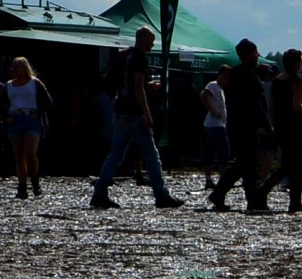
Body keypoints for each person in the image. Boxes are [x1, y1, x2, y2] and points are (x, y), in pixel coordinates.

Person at [92, 28, 185, 209]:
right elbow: (137, 87)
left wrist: (145, 86)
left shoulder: (124, 55)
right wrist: (147, 113)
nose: (152, 44)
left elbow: (121, 83)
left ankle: (99, 192)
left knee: (115, 156)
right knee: (152, 157)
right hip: (135, 115)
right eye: (151, 41)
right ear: (143, 40)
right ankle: (161, 195)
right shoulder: (140, 58)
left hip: (120, 112)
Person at [208, 39, 278, 213]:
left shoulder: (236, 74)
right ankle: (250, 200)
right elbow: (254, 105)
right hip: (246, 126)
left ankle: (230, 196)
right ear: (249, 54)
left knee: (245, 164)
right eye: (255, 53)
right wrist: (268, 126)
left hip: (235, 125)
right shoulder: (247, 76)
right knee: (248, 164)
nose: (257, 57)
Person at [265, 49, 302, 213]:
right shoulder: (297, 81)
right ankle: (293, 201)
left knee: (288, 164)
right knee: (297, 165)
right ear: (297, 63)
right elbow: (296, 106)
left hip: (280, 126)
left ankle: (264, 191)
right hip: (294, 126)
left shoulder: (277, 80)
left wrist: (272, 124)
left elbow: (271, 105)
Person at [4, 56, 52, 198]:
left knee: (30, 153)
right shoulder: (8, 85)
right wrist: (6, 117)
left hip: (31, 118)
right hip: (15, 119)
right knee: (19, 156)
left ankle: (35, 181)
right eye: (14, 66)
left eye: (18, 66)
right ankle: (22, 186)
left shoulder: (35, 83)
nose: (15, 69)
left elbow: (48, 101)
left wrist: (38, 112)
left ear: (25, 68)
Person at [199, 70, 230, 188]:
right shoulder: (213, 85)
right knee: (223, 152)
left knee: (211, 153)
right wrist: (213, 111)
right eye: (225, 77)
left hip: (216, 125)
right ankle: (221, 179)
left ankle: (209, 180)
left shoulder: (220, 89)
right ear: (220, 75)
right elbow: (203, 95)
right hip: (215, 125)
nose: (227, 80)